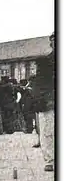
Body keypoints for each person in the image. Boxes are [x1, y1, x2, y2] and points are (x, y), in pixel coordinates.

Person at [31, 32, 55, 172]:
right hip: (49, 102)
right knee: (47, 132)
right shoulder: (45, 62)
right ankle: (50, 160)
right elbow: (41, 84)